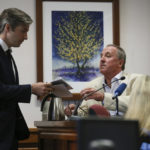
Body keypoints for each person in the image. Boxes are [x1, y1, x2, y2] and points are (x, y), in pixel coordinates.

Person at [0, 8, 52, 150]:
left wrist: (33, 89)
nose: (26, 37)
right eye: (23, 31)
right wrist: (31, 88)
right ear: (8, 27)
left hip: (8, 134)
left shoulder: (6, 53)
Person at [64, 44, 142, 117]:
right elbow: (85, 112)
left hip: (128, 129)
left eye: (108, 56)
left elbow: (139, 104)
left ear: (120, 63)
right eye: (101, 56)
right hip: (99, 129)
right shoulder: (92, 84)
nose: (102, 59)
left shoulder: (136, 80)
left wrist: (104, 97)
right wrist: (75, 111)